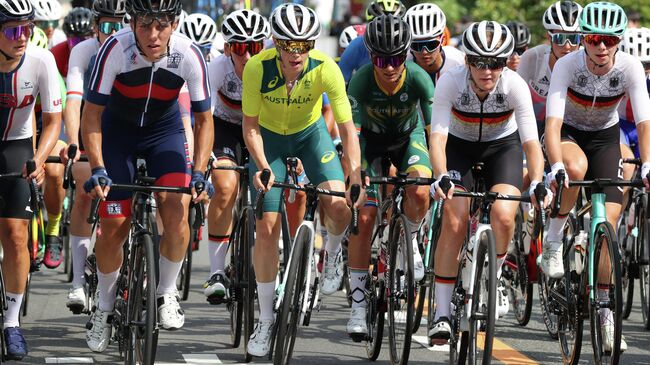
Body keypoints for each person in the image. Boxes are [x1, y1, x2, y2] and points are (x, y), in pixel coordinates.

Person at [81, 0, 213, 353]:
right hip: (118, 134)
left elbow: (203, 121)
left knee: (176, 210)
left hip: (163, 133)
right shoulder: (114, 49)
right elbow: (91, 116)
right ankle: (105, 310)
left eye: (161, 25)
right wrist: (96, 167)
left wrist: (199, 171)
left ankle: (166, 291)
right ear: (132, 22)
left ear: (174, 23)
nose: (153, 35)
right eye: (144, 25)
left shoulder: (188, 53)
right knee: (114, 225)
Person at [241, 3, 363, 357]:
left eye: (304, 45)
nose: (296, 53)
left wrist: (354, 171)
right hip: (269, 141)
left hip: (310, 136)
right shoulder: (256, 67)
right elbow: (249, 126)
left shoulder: (326, 67)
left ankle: (334, 253)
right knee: (266, 227)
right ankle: (265, 319)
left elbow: (346, 126)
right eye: (288, 44)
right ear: (275, 42)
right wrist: (263, 164)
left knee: (339, 203)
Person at [427, 20, 548, 344]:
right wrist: (441, 176)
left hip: (501, 147)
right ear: (468, 61)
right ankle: (440, 312)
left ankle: (489, 281)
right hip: (459, 147)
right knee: (454, 221)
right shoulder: (450, 81)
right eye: (480, 62)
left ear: (504, 63)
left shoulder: (513, 85)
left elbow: (531, 143)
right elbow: (437, 139)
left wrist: (537, 180)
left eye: (496, 63)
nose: (488, 71)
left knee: (506, 214)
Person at [544, 2, 650, 353]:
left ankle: (604, 311)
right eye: (592, 38)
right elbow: (553, 123)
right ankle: (555, 237)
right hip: (569, 134)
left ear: (618, 41)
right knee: (574, 170)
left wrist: (647, 163)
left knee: (610, 225)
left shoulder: (630, 67)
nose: (601, 47)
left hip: (605, 137)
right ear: (583, 39)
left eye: (608, 39)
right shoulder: (567, 65)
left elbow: (644, 122)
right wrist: (556, 165)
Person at [345, 14, 434, 338]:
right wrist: (356, 176)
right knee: (365, 215)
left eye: (397, 58)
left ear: (406, 55)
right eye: (382, 59)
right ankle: (357, 304)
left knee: (421, 190)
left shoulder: (421, 80)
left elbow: (434, 135)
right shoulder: (361, 81)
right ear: (371, 57)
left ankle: (409, 238)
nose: (390, 66)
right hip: (369, 143)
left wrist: (441, 174)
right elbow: (352, 137)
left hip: (408, 140)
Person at [0, 0, 63, 359]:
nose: (22, 37)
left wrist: (38, 161)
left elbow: (53, 120)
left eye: (27, 28)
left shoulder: (41, 60)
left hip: (18, 148)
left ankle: (11, 323)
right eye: (12, 30)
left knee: (16, 235)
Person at [61, 0, 126, 313]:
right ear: (95, 27)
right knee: (85, 187)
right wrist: (72, 141)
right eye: (106, 27)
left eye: (120, 26)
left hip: (128, 130)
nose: (113, 34)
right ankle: (76, 281)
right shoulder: (83, 51)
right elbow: (74, 102)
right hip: (93, 125)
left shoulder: (133, 48)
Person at [202, 8, 270, 303]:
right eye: (240, 48)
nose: (247, 55)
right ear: (228, 47)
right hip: (225, 128)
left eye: (254, 47)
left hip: (261, 128)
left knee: (269, 193)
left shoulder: (271, 68)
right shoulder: (216, 69)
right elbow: (200, 116)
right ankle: (216, 272)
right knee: (226, 186)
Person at [517, 0, 583, 138]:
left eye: (573, 38)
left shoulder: (587, 62)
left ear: (581, 39)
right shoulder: (532, 58)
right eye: (559, 38)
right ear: (549, 37)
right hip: (532, 123)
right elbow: (515, 101)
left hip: (570, 127)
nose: (567, 46)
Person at [338, 0, 405, 83]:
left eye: (395, 26)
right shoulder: (357, 45)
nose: (387, 34)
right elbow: (340, 83)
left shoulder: (412, 46)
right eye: (380, 27)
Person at [404, 3, 464, 86]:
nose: (424, 52)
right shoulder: (402, 64)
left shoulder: (459, 61)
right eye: (416, 46)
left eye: (431, 44)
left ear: (442, 41)